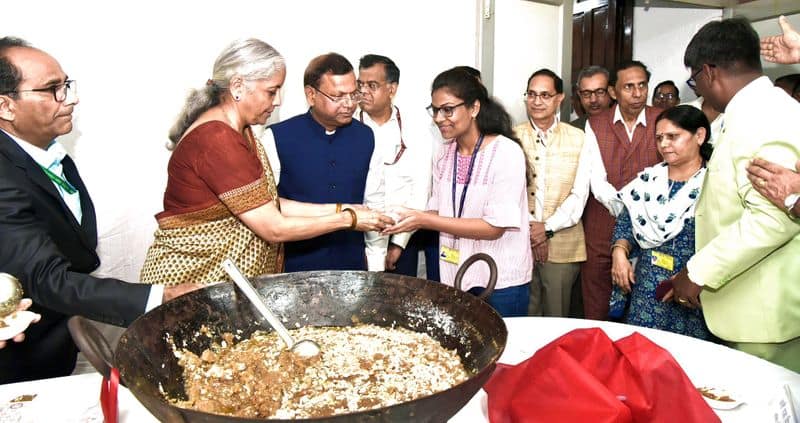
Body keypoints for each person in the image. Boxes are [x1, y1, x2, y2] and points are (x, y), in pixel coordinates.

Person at [0, 37, 199, 383]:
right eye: (53, 89)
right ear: (6, 107)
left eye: (67, 85)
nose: (71, 98)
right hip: (20, 362)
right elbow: (47, 279)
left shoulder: (49, 154)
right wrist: (159, 295)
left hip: (56, 340)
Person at [141, 42, 390, 286]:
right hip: (191, 282)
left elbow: (268, 204)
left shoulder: (241, 130)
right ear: (238, 86)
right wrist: (348, 219)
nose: (279, 100)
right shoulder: (217, 139)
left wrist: (341, 207)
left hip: (217, 282)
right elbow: (274, 228)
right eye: (272, 91)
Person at [672, 17, 800, 371]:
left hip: (765, 315)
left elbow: (773, 220)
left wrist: (698, 271)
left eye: (694, 80)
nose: (698, 91)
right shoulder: (760, 110)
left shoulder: (764, 117)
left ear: (709, 72)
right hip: (750, 301)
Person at [383, 68, 532, 317]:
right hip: (456, 273)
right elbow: (437, 210)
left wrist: (424, 219)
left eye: (448, 109)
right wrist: (402, 217)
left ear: (474, 108)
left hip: (501, 280)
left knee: (506, 352)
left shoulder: (505, 152)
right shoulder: (445, 152)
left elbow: (494, 228)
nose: (440, 118)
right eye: (435, 110)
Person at [262, 53, 386, 272]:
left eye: (353, 94)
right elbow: (266, 207)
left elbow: (374, 203)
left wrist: (376, 268)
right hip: (295, 269)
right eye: (338, 97)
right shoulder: (277, 137)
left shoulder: (367, 136)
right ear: (311, 95)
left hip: (352, 267)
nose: (349, 104)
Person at [610, 106, 714, 340]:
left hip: (694, 288)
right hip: (647, 289)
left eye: (673, 136)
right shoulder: (648, 182)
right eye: (659, 138)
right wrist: (619, 253)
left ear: (699, 136)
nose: (664, 144)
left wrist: (692, 278)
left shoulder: (714, 183)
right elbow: (626, 224)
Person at [581, 60, 662, 321]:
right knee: (597, 302)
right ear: (614, 92)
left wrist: (636, 209)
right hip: (602, 222)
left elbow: (666, 171)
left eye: (642, 86)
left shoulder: (661, 120)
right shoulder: (596, 123)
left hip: (650, 225)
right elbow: (595, 177)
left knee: (643, 303)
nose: (637, 94)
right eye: (629, 87)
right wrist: (624, 205)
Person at [514, 69, 589, 317]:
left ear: (560, 99)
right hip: (518, 241)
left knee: (557, 317)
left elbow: (579, 194)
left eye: (545, 95)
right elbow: (507, 193)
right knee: (524, 315)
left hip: (564, 243)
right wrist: (531, 228)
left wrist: (546, 228)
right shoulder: (511, 137)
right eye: (532, 94)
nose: (537, 101)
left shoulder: (580, 138)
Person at [355, 54, 433, 276]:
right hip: (356, 239)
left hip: (403, 237)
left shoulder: (416, 129)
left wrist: (399, 243)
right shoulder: (347, 127)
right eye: (360, 85)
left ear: (392, 89)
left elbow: (420, 188)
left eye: (372, 85)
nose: (364, 92)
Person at [569, 65, 613, 130]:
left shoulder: (626, 126)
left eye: (600, 92)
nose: (593, 100)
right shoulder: (571, 131)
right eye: (586, 94)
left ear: (611, 92)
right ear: (579, 95)